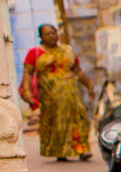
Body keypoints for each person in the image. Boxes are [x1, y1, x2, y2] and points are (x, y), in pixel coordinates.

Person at [22, 23, 96, 160]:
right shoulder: (35, 53)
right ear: (41, 37)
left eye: (53, 32)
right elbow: (27, 72)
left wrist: (89, 86)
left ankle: (82, 149)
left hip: (71, 93)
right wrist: (26, 91)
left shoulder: (67, 50)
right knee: (58, 122)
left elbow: (78, 71)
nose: (51, 36)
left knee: (79, 119)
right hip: (50, 95)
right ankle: (61, 152)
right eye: (47, 34)